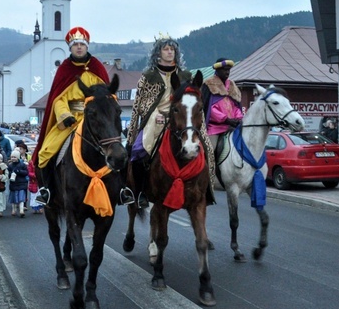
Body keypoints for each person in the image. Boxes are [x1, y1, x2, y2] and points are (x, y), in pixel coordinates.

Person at [34, 26, 112, 205]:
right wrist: (64, 115)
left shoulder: (97, 67)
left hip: (95, 119)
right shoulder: (65, 69)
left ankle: (121, 188)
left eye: (81, 44)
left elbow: (106, 96)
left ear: (87, 46)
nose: (79, 47)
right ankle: (47, 189)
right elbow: (57, 99)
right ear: (70, 47)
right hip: (70, 119)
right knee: (47, 150)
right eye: (75, 44)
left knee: (117, 146)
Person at [126, 35, 192, 208]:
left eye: (172, 49)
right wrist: (155, 114)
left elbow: (190, 99)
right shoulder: (148, 76)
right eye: (166, 49)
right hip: (154, 120)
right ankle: (139, 192)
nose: (170, 52)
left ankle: (201, 189)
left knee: (203, 148)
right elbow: (140, 103)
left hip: (179, 119)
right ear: (158, 52)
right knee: (139, 150)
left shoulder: (185, 76)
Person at [201, 58, 244, 152]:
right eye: (225, 69)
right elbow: (210, 108)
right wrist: (226, 119)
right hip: (215, 128)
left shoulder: (232, 85)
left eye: (228, 70)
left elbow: (236, 106)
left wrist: (238, 118)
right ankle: (210, 166)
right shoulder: (209, 84)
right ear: (217, 70)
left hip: (232, 127)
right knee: (210, 150)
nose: (227, 72)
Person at [7, 149, 29, 217]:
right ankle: (13, 210)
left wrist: (19, 171)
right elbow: (8, 173)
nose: (13, 158)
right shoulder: (10, 166)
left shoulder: (22, 165)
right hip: (13, 183)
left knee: (21, 198)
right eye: (12, 157)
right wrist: (11, 174)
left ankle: (21, 210)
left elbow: (26, 173)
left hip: (21, 183)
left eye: (15, 157)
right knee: (13, 198)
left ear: (18, 157)